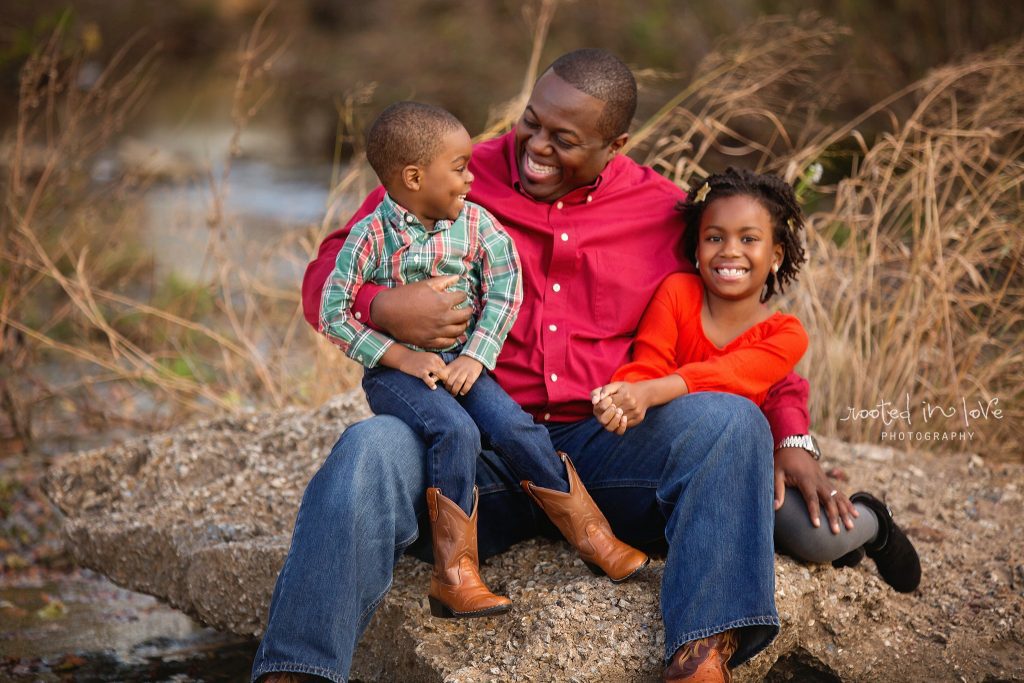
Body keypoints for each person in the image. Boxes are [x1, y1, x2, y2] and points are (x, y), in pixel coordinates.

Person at [253, 49, 845, 683]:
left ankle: (699, 659)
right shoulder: (443, 175)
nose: (534, 146)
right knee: (369, 446)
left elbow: (744, 330)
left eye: (563, 140)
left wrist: (792, 434)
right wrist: (388, 306)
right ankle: (297, 672)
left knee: (731, 422)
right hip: (468, 450)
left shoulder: (664, 211)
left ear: (615, 143)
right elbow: (325, 279)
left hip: (609, 452)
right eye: (529, 122)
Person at [318, 101, 648, 620]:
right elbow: (332, 311)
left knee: (516, 428)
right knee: (457, 432)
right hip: (395, 374)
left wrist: (477, 355)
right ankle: (455, 575)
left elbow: (505, 288)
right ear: (413, 177)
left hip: (462, 361)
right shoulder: (370, 236)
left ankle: (591, 536)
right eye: (458, 169)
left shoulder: (475, 225)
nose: (472, 179)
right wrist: (399, 354)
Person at [589, 168, 921, 680]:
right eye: (715, 237)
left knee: (813, 538)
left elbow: (738, 375)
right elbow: (647, 364)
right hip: (691, 456)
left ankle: (872, 524)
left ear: (777, 254)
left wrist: (793, 443)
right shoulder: (677, 293)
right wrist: (628, 394)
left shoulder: (784, 332)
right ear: (696, 246)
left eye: (749, 239)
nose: (730, 251)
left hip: (753, 464)